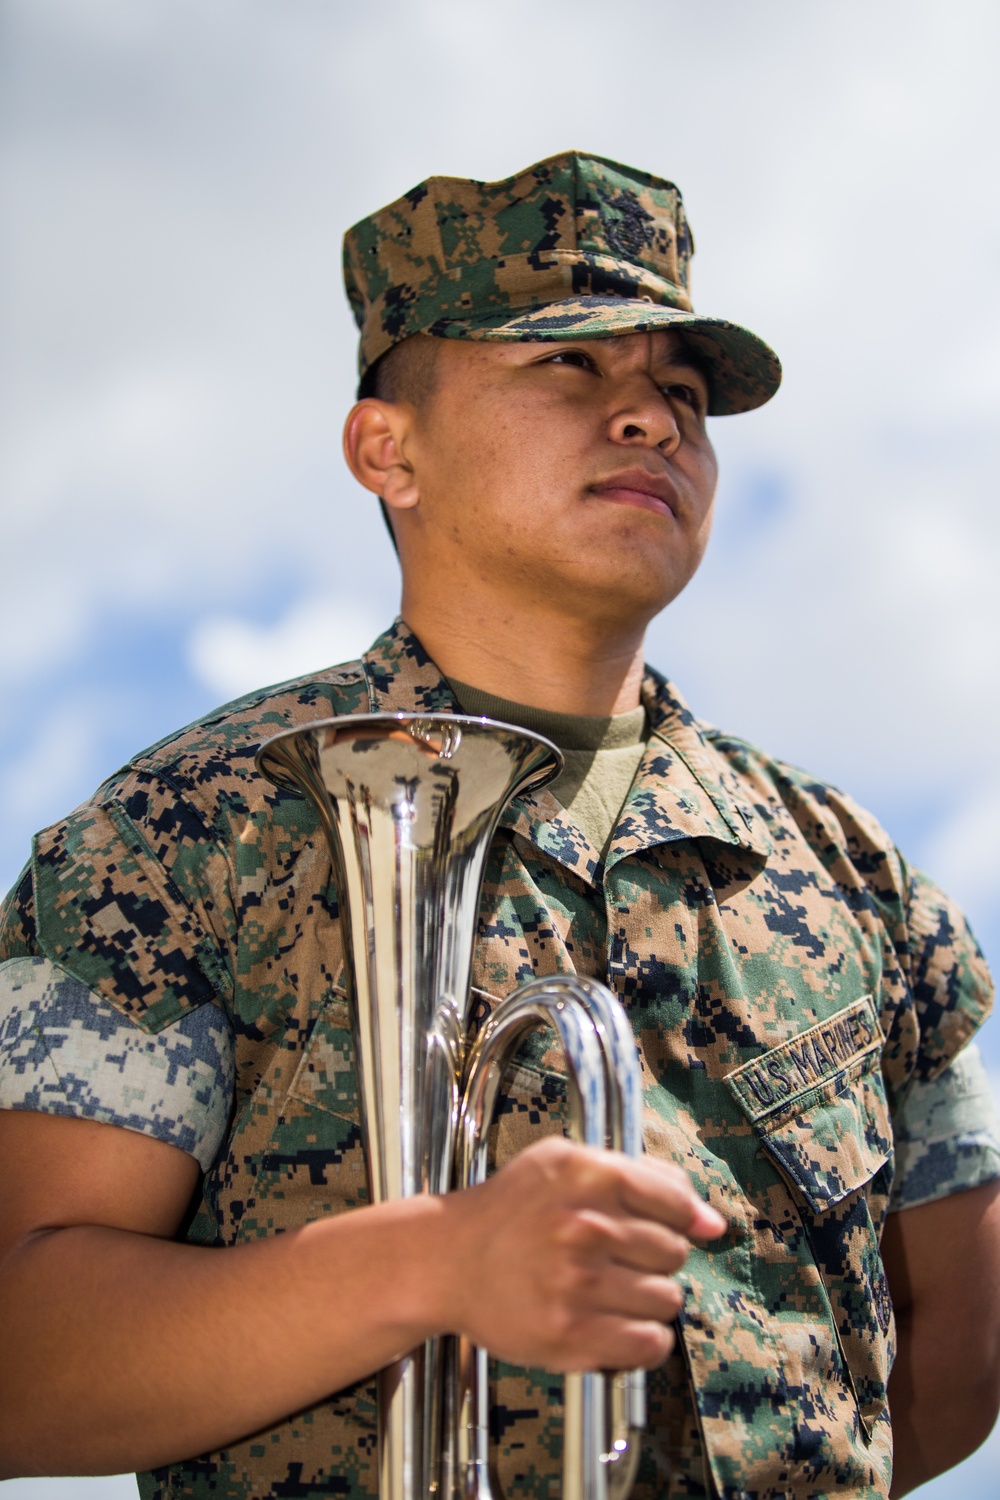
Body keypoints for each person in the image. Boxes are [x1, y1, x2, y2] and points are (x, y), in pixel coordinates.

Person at [1, 150, 999, 1500]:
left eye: (683, 393)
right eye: (570, 369)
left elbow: (948, 1372)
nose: (653, 420)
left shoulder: (858, 878)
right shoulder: (190, 832)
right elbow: (24, 1360)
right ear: (387, 450)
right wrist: (436, 1264)